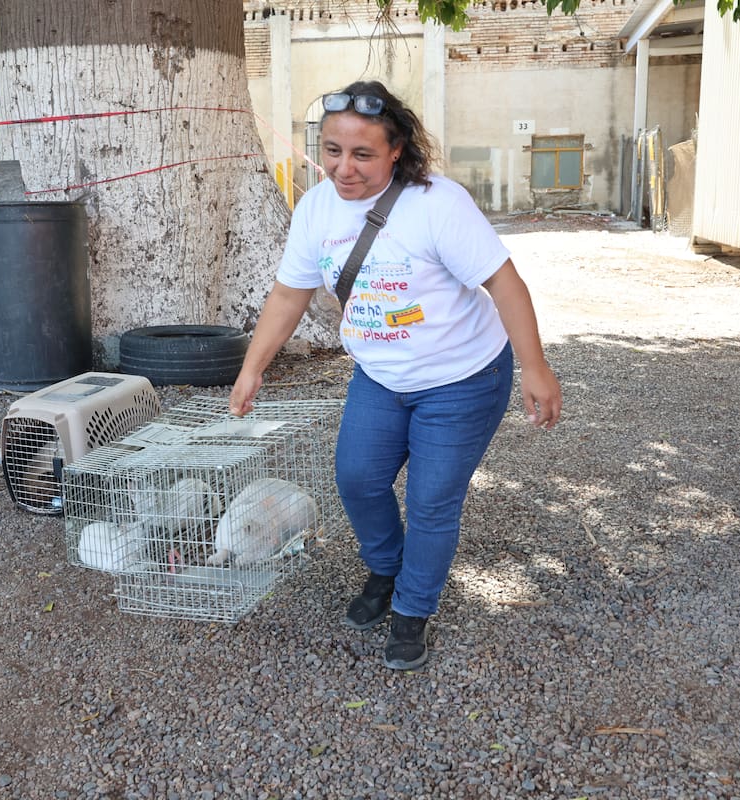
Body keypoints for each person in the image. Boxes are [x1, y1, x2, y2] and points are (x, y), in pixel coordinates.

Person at [228, 80, 562, 670]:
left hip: (462, 376)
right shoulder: (315, 209)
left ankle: (413, 608)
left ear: (396, 151)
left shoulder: (438, 204)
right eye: (332, 150)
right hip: (381, 374)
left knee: (433, 502)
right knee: (357, 478)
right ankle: (387, 567)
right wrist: (253, 368)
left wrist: (535, 368)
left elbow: (504, 283)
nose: (343, 167)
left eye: (362, 154)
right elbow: (288, 294)